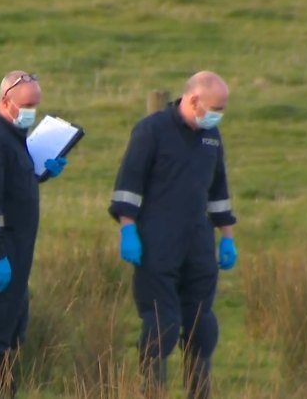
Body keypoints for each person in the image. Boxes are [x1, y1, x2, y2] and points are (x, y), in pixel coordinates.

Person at [109, 71, 238, 399]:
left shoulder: (211, 137)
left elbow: (218, 189)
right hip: (156, 241)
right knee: (162, 326)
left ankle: (199, 393)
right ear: (194, 100)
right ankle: (152, 391)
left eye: (222, 109)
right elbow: (129, 184)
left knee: (202, 326)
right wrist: (128, 230)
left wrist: (226, 236)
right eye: (215, 108)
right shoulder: (151, 131)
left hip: (197, 240)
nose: (218, 115)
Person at [0, 71, 68, 398]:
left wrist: (40, 173)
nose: (31, 111)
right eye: (26, 104)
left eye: (36, 104)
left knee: (7, 337)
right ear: (5, 100)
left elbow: (11, 187)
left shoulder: (13, 134)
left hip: (14, 255)